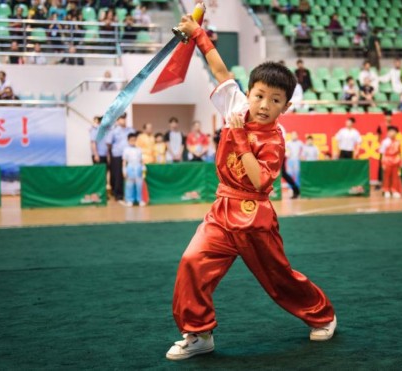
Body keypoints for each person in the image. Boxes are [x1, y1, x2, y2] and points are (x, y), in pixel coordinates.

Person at [165, 14, 336, 361]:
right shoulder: (236, 105)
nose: (264, 105)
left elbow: (259, 180)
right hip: (221, 212)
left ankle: (323, 315)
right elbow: (219, 70)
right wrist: (198, 34)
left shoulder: (276, 138)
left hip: (254, 216)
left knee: (278, 279)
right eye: (259, 95)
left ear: (285, 107)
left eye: (275, 100)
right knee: (191, 263)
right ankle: (198, 334)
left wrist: (240, 137)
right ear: (250, 92)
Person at [106, 113, 135, 201]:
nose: (123, 120)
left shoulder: (130, 130)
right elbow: (108, 143)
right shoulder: (113, 131)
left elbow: (134, 140)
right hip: (118, 155)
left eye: (124, 118)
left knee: (129, 174)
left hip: (129, 156)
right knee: (118, 175)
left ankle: (129, 194)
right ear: (117, 120)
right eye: (121, 119)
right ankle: (118, 194)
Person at [122, 133, 146, 207]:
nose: (133, 141)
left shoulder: (139, 149)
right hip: (130, 167)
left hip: (138, 167)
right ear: (128, 141)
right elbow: (124, 161)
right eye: (131, 140)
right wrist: (124, 169)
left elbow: (141, 159)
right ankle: (129, 200)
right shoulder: (126, 150)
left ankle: (140, 200)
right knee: (129, 184)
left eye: (134, 140)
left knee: (139, 184)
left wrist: (143, 167)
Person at [380, 125, 402, 199]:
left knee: (395, 177)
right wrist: (383, 163)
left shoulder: (398, 142)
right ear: (388, 133)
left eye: (394, 132)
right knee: (386, 177)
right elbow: (382, 153)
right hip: (387, 160)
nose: (392, 133)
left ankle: (394, 191)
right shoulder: (385, 142)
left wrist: (401, 161)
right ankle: (386, 190)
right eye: (390, 131)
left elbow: (399, 153)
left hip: (395, 161)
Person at [90, 116, 111, 189]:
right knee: (98, 174)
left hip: (105, 155)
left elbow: (107, 145)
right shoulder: (95, 130)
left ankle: (103, 192)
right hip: (98, 155)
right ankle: (97, 191)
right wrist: (96, 155)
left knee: (105, 174)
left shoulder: (106, 131)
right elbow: (93, 143)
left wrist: (108, 155)